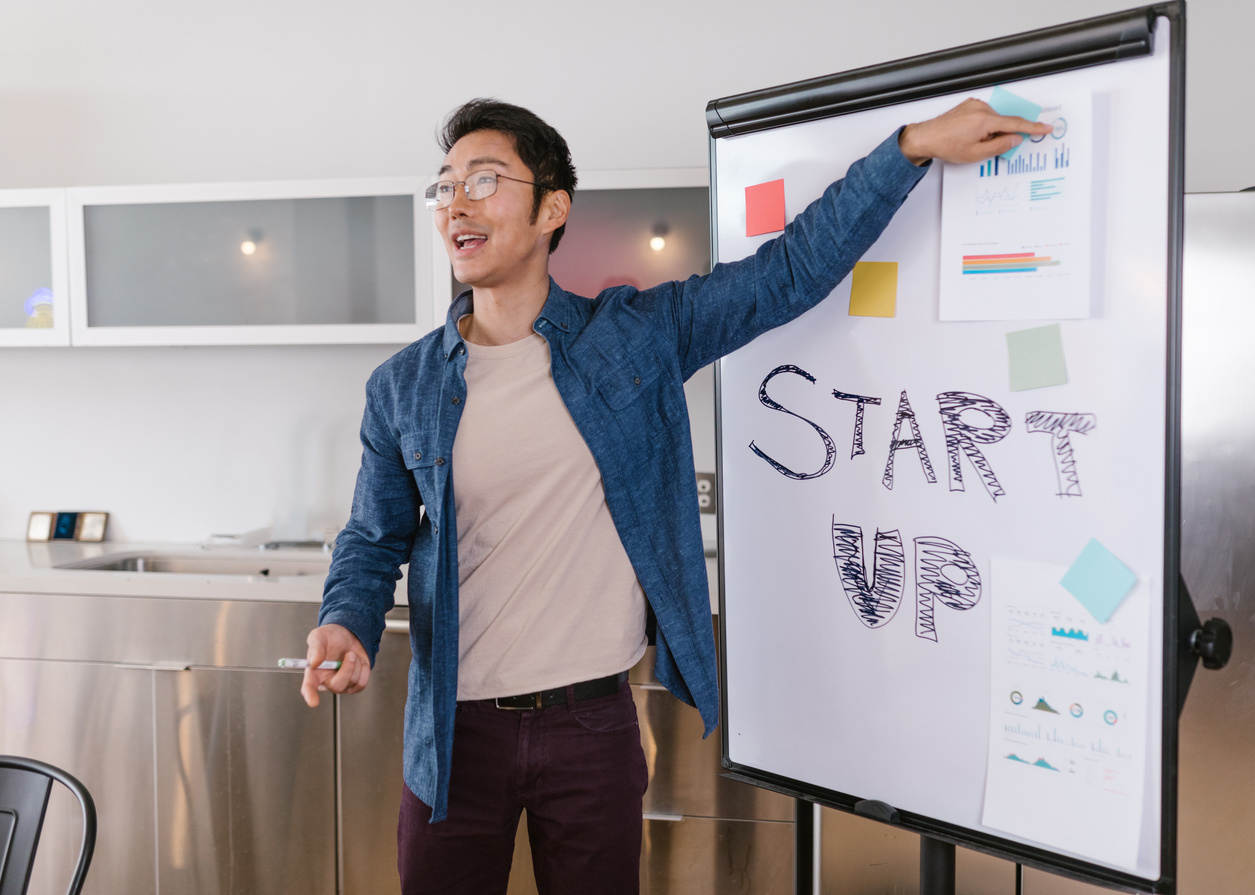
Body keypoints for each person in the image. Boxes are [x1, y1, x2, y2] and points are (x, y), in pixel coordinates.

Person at [300, 96, 1050, 895]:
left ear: (553, 208)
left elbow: (786, 273)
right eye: (444, 186)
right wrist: (344, 619)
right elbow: (373, 538)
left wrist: (909, 148)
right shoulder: (403, 386)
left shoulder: (633, 338)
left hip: (590, 726)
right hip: (452, 733)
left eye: (483, 180)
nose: (456, 204)